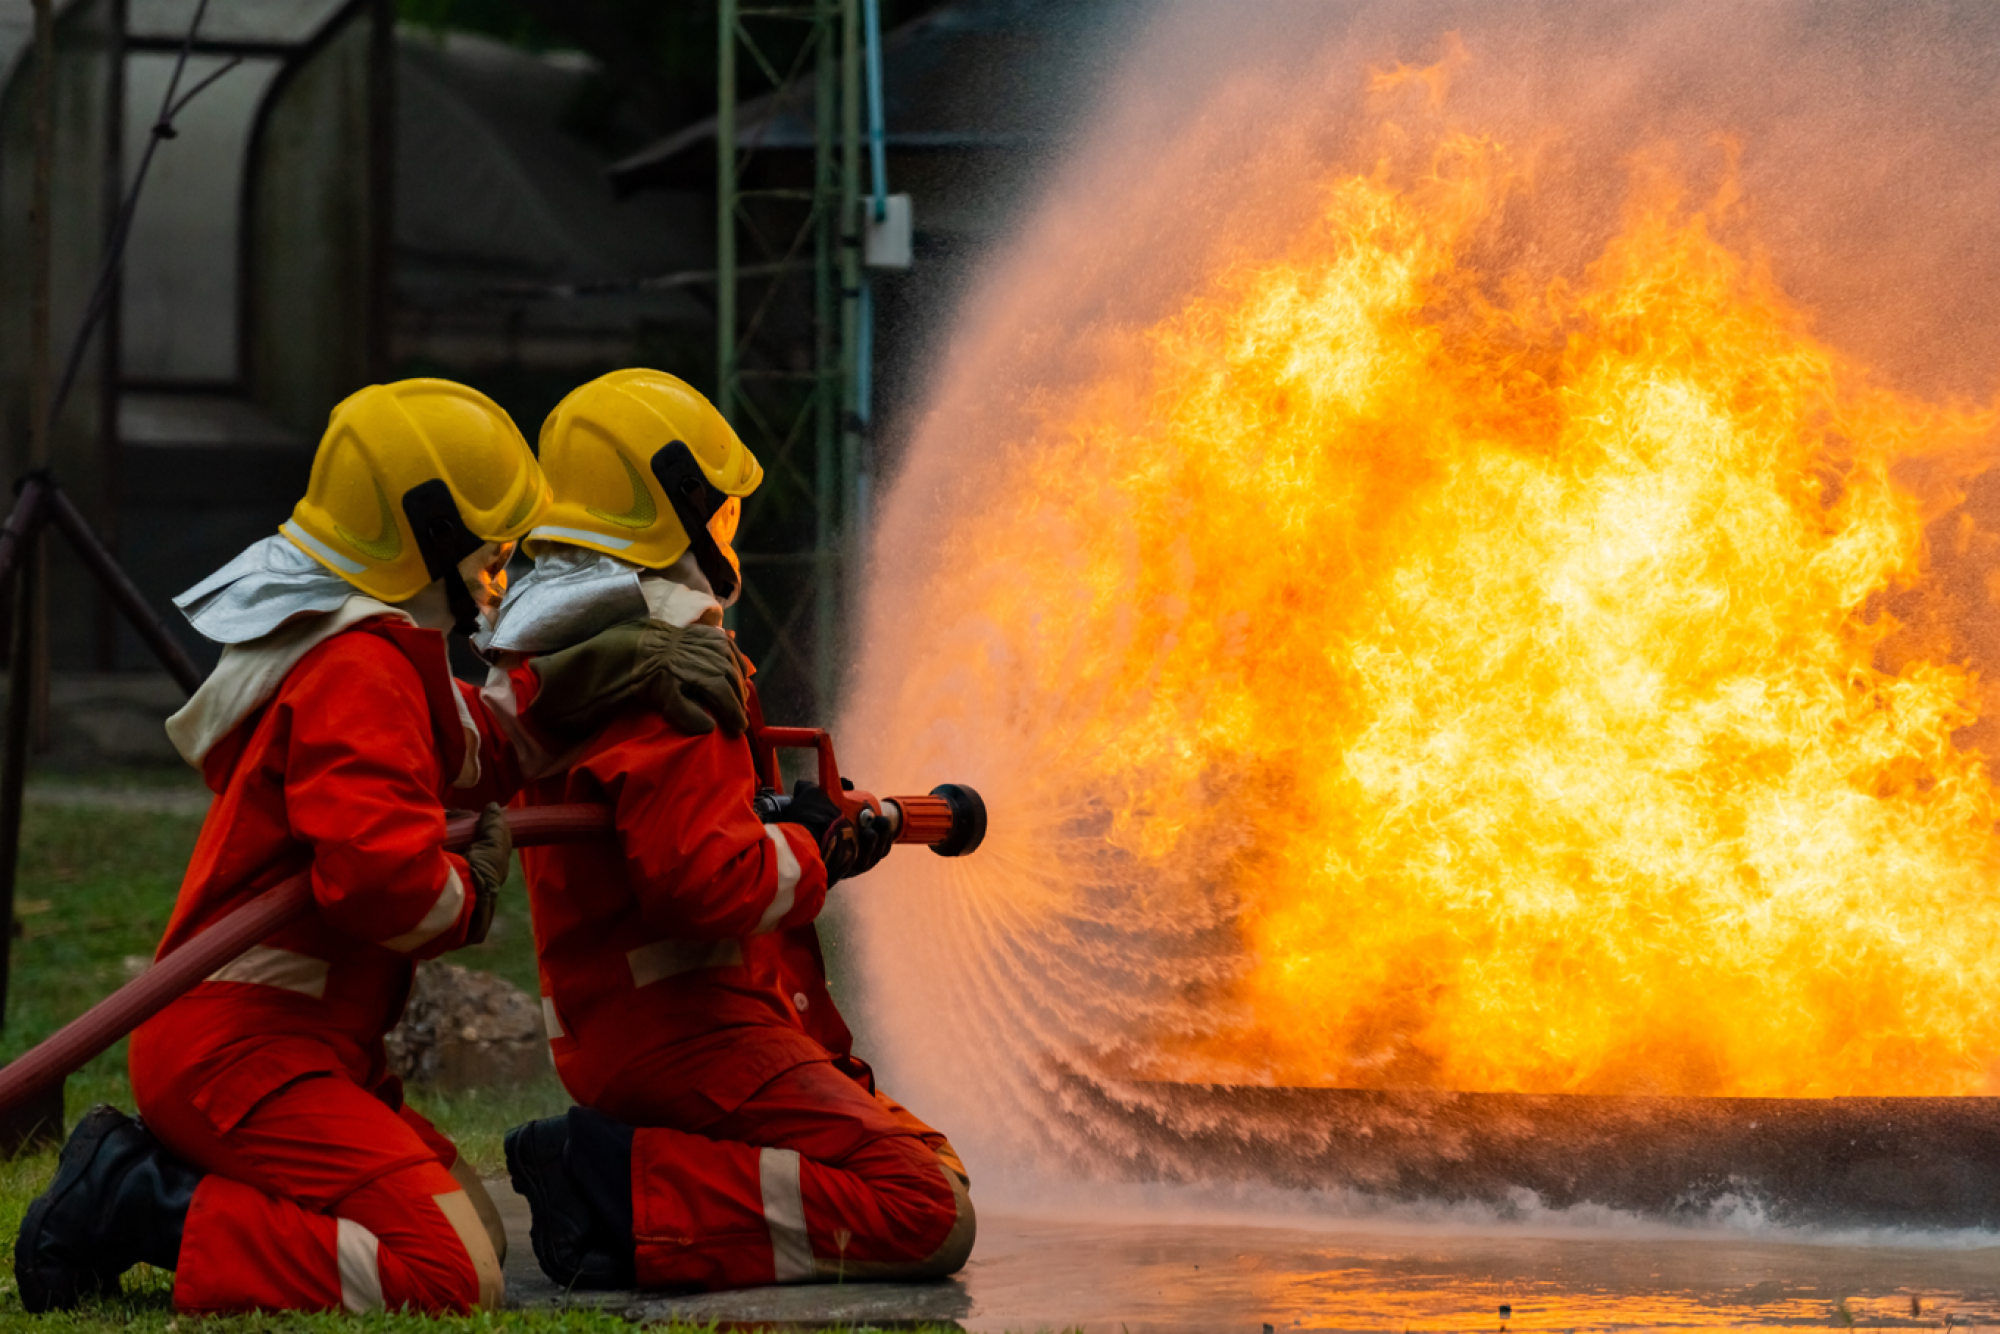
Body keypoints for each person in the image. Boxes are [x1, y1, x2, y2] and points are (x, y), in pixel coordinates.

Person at [13, 378, 742, 1315]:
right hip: (247, 1056)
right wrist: (469, 891)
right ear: (429, 534)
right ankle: (139, 1205)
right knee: (447, 1269)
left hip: (293, 1047)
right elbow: (378, 882)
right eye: (491, 549)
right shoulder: (355, 669)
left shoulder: (371, 653)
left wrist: (603, 669)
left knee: (473, 1231)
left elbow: (473, 749)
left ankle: (164, 1180)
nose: (500, 573)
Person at [489, 368, 973, 1293]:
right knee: (924, 1206)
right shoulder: (673, 674)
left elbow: (684, 834)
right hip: (692, 1036)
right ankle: (611, 1186)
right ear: (680, 507)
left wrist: (802, 838)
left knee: (918, 1156)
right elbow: (704, 883)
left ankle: (625, 1191)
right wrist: (811, 850)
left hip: (624, 1031)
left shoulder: (572, 660)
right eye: (720, 507)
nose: (727, 527)